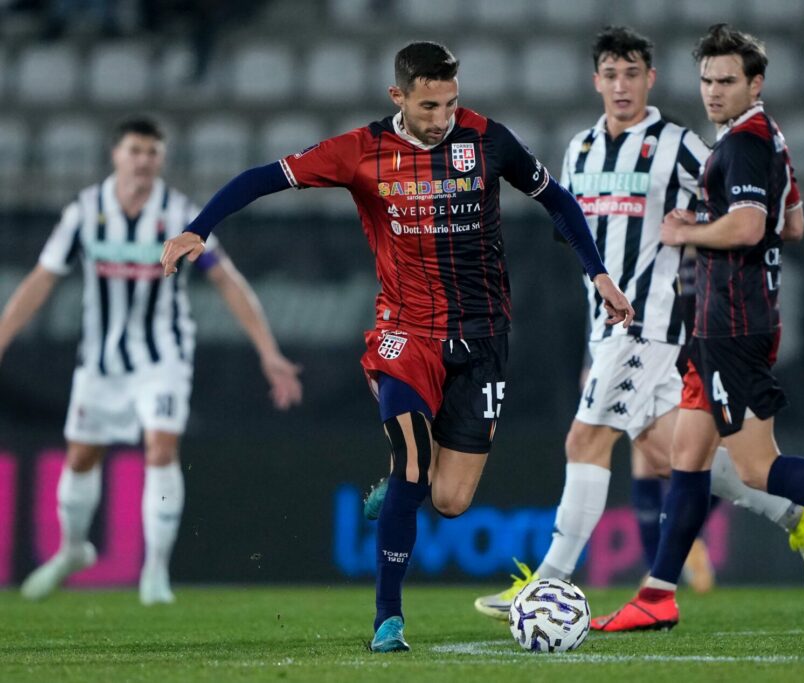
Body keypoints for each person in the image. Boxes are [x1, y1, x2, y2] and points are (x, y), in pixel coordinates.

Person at [159, 41, 634, 653]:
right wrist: (200, 226)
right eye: (429, 105)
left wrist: (597, 273)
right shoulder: (360, 151)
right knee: (413, 460)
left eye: (451, 104)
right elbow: (262, 177)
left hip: (485, 336)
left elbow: (557, 200)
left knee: (452, 501)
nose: (442, 119)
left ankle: (399, 490)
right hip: (404, 335)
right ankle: (388, 619)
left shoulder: (487, 140)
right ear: (399, 97)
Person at [472, 26, 804, 619]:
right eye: (610, 74)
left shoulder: (679, 143)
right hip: (608, 328)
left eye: (632, 73)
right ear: (596, 81)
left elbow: (742, 201)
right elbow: (579, 234)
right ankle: (796, 515)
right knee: (671, 454)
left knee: (584, 440)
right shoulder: (580, 149)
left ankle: (548, 584)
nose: (621, 85)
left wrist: (703, 231)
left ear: (650, 79)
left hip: (654, 321)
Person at [593, 24, 804, 633]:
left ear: (755, 83)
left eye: (727, 81)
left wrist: (687, 231)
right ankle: (658, 595)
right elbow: (789, 225)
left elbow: (749, 228)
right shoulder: (766, 137)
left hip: (733, 325)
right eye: (707, 80)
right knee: (689, 461)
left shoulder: (744, 144)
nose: (713, 92)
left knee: (754, 468)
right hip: (724, 321)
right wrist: (714, 218)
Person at [0, 117, 303, 606]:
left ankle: (155, 571)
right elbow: (41, 278)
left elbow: (226, 279)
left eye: (153, 153)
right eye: (135, 151)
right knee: (80, 457)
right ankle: (75, 550)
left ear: (162, 160)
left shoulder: (179, 214)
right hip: (100, 360)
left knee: (160, 449)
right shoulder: (84, 211)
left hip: (163, 356)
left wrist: (268, 352)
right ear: (115, 155)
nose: (144, 161)